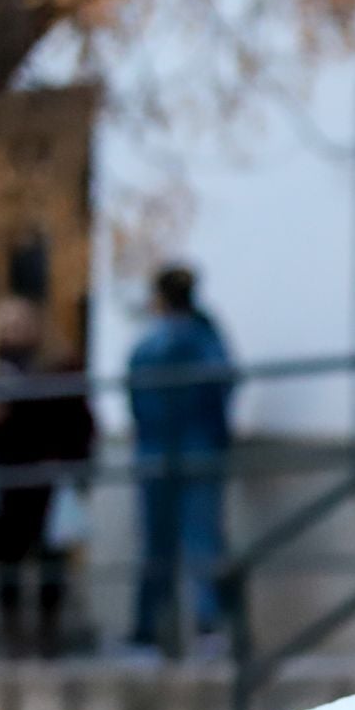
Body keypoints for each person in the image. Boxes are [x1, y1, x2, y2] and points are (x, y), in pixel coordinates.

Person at [127, 263, 236, 656]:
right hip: (198, 450)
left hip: (157, 453)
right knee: (202, 540)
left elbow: (136, 400)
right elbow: (222, 387)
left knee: (158, 544)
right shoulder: (206, 339)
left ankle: (147, 631)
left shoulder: (149, 343)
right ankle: (208, 628)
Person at [0, 296, 95, 658]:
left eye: (20, 325)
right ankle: (11, 631)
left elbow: (81, 422)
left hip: (51, 475)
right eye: (7, 327)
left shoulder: (61, 367)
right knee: (8, 555)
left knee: (51, 554)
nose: (14, 333)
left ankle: (48, 633)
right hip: (9, 478)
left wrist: (78, 469)